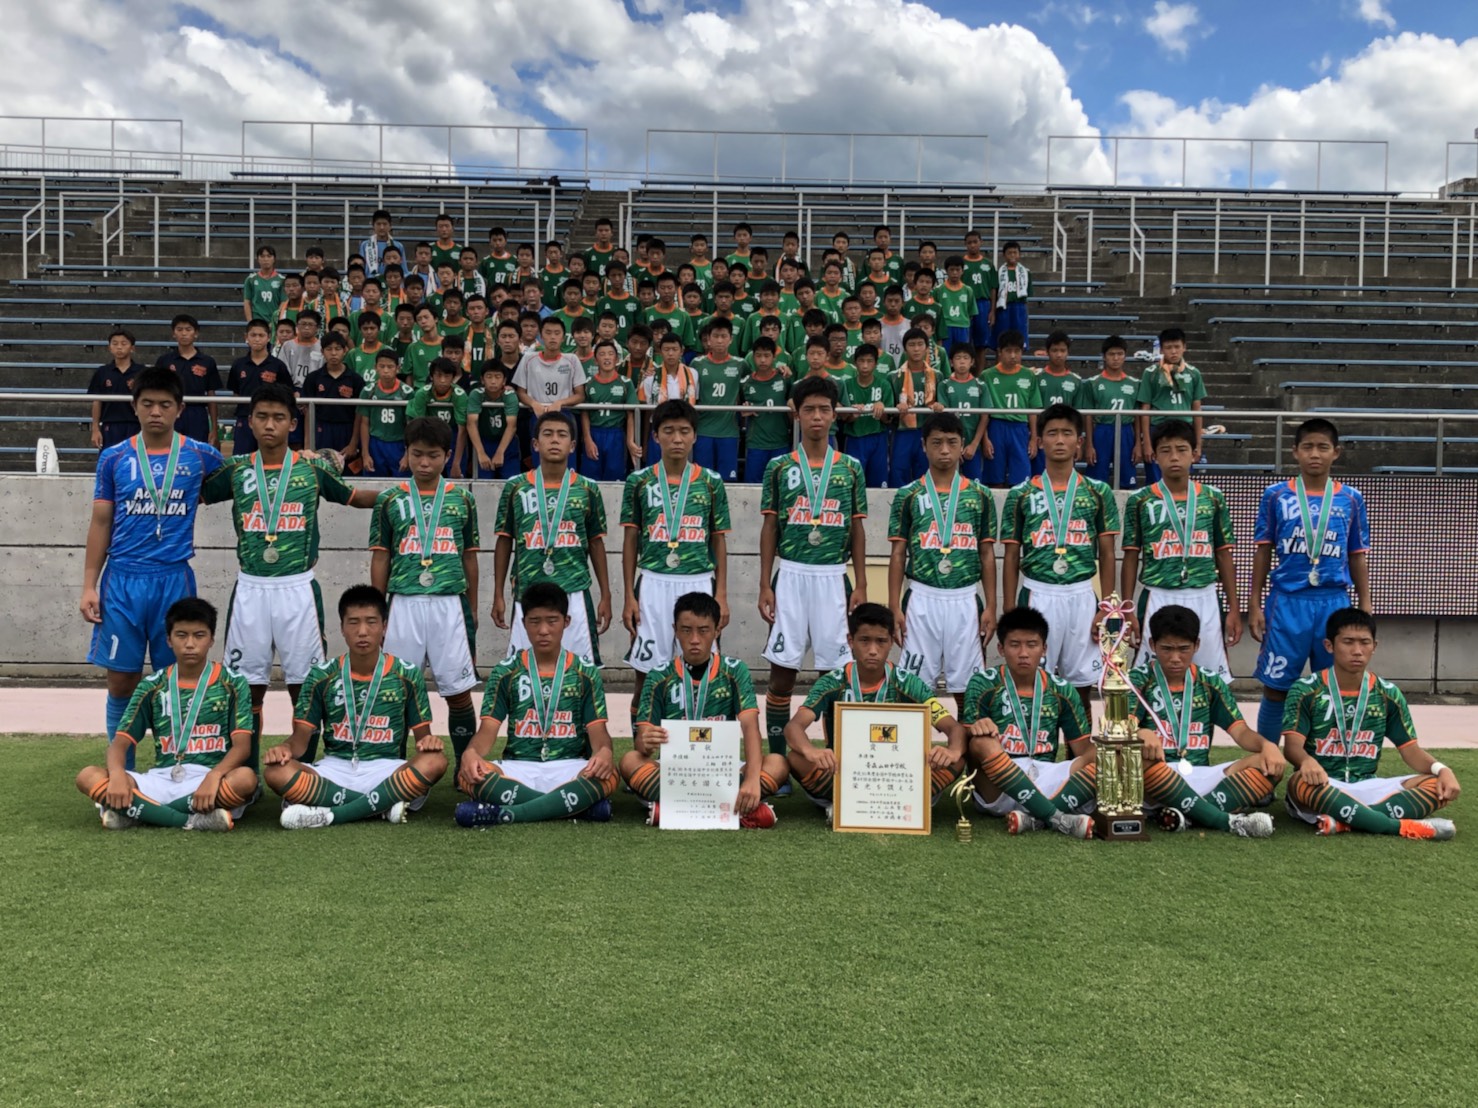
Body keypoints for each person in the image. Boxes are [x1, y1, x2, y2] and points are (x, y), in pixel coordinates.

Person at [202, 382, 376, 768]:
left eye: (279, 417)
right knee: (247, 690)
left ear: (292, 424)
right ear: (250, 421)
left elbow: (353, 497)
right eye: (262, 417)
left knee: (305, 686)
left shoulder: (312, 468)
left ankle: (303, 774)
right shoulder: (235, 469)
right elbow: (194, 492)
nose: (270, 425)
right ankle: (245, 777)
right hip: (250, 589)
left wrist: (404, 495)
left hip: (297, 589)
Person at [82, 368, 225, 770]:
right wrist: (89, 585)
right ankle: (121, 772)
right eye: (148, 404)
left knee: (176, 679)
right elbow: (101, 523)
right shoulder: (114, 457)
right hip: (122, 580)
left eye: (165, 404)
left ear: (180, 408)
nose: (156, 412)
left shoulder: (202, 455)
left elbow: (246, 477)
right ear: (135, 407)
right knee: (121, 680)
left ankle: (173, 769)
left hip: (173, 580)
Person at [267, 585, 446, 829]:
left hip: (387, 770)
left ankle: (333, 813)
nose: (362, 631)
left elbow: (424, 740)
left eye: (371, 622)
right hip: (335, 768)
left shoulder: (407, 674)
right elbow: (299, 742)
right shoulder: (322, 675)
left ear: (384, 626)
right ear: (342, 628)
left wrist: (430, 743)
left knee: (435, 761)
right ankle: (381, 806)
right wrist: (284, 749)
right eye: (353, 623)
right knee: (276, 772)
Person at [759, 376, 869, 757]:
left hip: (833, 578)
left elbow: (857, 528)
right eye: (809, 410)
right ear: (797, 414)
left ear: (835, 414)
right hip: (790, 574)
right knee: (781, 672)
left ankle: (837, 758)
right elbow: (770, 527)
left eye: (824, 409)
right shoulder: (778, 466)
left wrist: (861, 583)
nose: (817, 417)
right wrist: (764, 584)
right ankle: (777, 759)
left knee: (835, 675)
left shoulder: (851, 467)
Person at [75, 597, 254, 831]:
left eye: (199, 635)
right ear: (169, 640)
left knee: (245, 779)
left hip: (209, 778)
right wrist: (118, 774)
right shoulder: (153, 685)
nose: (190, 644)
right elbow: (119, 744)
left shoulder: (233, 683)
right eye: (181, 635)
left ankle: (138, 812)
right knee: (87, 776)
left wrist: (215, 775)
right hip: (160, 779)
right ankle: (190, 819)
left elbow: (242, 747)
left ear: (211, 639)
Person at [1282, 608, 1457, 839]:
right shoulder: (1306, 689)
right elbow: (1292, 747)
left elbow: (1411, 751)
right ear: (1329, 645)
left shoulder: (1388, 693)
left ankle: (1346, 822)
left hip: (1368, 787)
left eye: (1364, 642)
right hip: (1322, 784)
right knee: (1298, 782)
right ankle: (1399, 826)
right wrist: (1306, 761)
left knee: (1437, 786)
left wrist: (1442, 769)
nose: (1357, 651)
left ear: (1374, 646)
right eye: (1348, 642)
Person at [454, 583, 619, 826]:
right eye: (534, 621)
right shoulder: (506, 671)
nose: (543, 630)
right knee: (471, 774)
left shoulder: (585, 672)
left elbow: (599, 734)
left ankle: (509, 813)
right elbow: (487, 731)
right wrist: (471, 753)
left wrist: (604, 752)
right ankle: (574, 807)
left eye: (552, 621)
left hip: (570, 767)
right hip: (518, 767)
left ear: (566, 622)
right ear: (523, 623)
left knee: (609, 773)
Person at [1249, 418, 1371, 744]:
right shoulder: (1275, 495)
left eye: (1322, 447)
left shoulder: (1351, 498)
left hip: (1334, 603)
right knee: (1276, 688)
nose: (1315, 454)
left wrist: (1365, 604)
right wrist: (1254, 604)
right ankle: (1266, 763)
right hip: (1287, 602)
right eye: (1308, 447)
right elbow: (1263, 550)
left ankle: (1326, 764)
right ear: (1295, 452)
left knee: (1334, 687)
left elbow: (1357, 554)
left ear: (1336, 452)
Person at [783, 603, 965, 820]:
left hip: (898, 774)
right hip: (844, 772)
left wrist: (952, 751)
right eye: (864, 640)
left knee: (958, 759)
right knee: (797, 758)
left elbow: (953, 728)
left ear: (891, 642)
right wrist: (811, 751)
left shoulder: (907, 683)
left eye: (881, 641)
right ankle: (857, 803)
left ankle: (859, 805)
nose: (872, 650)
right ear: (850, 641)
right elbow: (794, 727)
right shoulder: (832, 682)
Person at [623, 592, 784, 828]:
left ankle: (673, 809)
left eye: (703, 630)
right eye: (686, 630)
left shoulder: (735, 670)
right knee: (629, 760)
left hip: (722, 768)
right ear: (675, 630)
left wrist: (751, 779)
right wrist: (646, 742)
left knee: (778, 763)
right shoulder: (658, 676)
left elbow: (750, 727)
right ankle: (733, 809)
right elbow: (641, 744)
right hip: (676, 770)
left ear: (717, 630)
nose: (695, 639)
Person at [1130, 604, 1280, 837]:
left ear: (1197, 645)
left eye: (1184, 649)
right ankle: (1224, 820)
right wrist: (1139, 733)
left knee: (1269, 766)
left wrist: (1266, 745)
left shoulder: (1210, 682)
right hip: (1155, 778)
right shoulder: (1138, 679)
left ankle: (1187, 815)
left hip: (1200, 775)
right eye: (1167, 649)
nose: (1175, 658)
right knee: (1141, 761)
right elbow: (1121, 727)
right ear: (1152, 645)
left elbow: (1240, 731)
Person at [1000, 404, 1118, 702]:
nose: (1060, 440)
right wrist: (1009, 606)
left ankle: (1080, 734)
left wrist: (1107, 605)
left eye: (1067, 433)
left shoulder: (1099, 491)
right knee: (1031, 680)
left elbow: (1107, 553)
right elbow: (1011, 555)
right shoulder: (1021, 494)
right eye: (1052, 433)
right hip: (1037, 593)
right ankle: (1034, 734)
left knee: (1082, 683)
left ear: (1080, 441)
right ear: (1040, 441)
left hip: (1082, 593)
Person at [620, 399, 730, 701]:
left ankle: (699, 731)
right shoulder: (639, 481)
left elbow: (718, 539)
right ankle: (642, 734)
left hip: (699, 581)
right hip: (653, 581)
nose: (677, 439)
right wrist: (629, 595)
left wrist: (721, 594)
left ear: (695, 435)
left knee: (704, 671)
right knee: (646, 675)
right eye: (668, 431)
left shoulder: (711, 482)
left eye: (684, 431)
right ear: (656, 436)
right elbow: (630, 540)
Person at [888, 412, 997, 705]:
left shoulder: (981, 495)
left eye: (952, 442)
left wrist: (991, 605)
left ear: (963, 445)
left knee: (970, 692)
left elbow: (987, 553)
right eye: (937, 443)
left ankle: (967, 738)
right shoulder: (908, 495)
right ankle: (915, 738)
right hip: (921, 598)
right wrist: (893, 605)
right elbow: (898, 554)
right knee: (913, 689)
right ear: (924, 446)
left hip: (965, 598)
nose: (945, 450)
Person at [960, 607, 1095, 837]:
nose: (1023, 653)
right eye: (1015, 645)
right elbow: (966, 747)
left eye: (1032, 645)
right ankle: (1059, 819)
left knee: (1106, 755)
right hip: (998, 783)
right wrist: (975, 729)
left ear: (1044, 649)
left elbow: (1083, 750)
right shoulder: (983, 683)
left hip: (1046, 776)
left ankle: (1036, 819)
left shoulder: (1062, 689)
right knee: (981, 743)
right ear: (1001, 649)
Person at [1121, 420, 1239, 681]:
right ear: (1154, 455)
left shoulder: (1213, 497)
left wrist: (1233, 607)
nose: (1174, 457)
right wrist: (1127, 609)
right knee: (1148, 679)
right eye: (1165, 450)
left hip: (1204, 594)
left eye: (1181, 449)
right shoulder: (1140, 500)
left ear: (1194, 453)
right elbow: (1130, 556)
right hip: (1158, 594)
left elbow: (1223, 553)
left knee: (1212, 680)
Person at [493, 412, 613, 665]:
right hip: (528, 591)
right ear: (535, 444)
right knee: (523, 670)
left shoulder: (587, 488)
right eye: (547, 434)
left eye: (562, 435)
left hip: (574, 591)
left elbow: (595, 542)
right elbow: (504, 540)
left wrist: (606, 594)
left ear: (573, 445)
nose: (555, 440)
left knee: (581, 672)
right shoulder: (515, 487)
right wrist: (498, 594)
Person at [1135, 327, 1206, 484]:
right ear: (1161, 349)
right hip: (1159, 427)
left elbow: (1197, 409)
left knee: (1181, 479)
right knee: (1155, 479)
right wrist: (1147, 443)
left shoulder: (1194, 373)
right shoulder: (1151, 373)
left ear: (1184, 347)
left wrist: (1198, 444)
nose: (1173, 351)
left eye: (1177, 347)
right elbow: (1145, 408)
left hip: (1184, 428)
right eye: (1168, 347)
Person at [980, 330, 1039, 487]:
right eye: (1008, 351)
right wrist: (985, 439)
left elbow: (1033, 409)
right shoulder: (987, 375)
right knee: (994, 478)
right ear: (1000, 352)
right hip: (996, 427)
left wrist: (1033, 438)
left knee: (1021, 480)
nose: (1013, 355)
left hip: (1020, 428)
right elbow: (983, 412)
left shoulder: (1029, 375)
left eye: (1017, 351)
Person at [154, 314, 221, 446]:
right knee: (169, 449)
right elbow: (156, 391)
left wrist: (214, 428)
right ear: (174, 333)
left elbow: (211, 395)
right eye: (179, 329)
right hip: (171, 410)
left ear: (196, 333)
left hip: (197, 413)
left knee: (196, 450)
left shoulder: (207, 361)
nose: (184, 333)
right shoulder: (164, 361)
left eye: (188, 329)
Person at [690, 317, 744, 481]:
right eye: (715, 336)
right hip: (703, 431)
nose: (719, 341)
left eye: (723, 336)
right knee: (702, 480)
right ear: (708, 339)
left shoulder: (741, 364)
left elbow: (756, 380)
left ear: (730, 339)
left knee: (728, 481)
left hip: (729, 432)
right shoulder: (696, 364)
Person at [1083, 335, 1140, 489]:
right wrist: (1089, 444)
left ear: (1125, 356)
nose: (1116, 358)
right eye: (1111, 354)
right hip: (1102, 430)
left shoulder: (1134, 384)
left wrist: (1138, 443)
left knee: (1127, 480)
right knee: (1096, 481)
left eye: (1120, 354)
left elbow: (1137, 416)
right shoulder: (1093, 383)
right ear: (1104, 356)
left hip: (1126, 431)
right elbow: (1088, 416)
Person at [226, 320, 290, 456]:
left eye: (261, 335)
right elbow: (236, 393)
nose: (257, 339)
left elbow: (286, 393)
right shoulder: (238, 365)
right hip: (245, 417)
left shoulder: (278, 365)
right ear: (246, 337)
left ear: (268, 337)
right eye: (253, 335)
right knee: (242, 458)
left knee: (271, 457)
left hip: (270, 419)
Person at [839, 343, 895, 488]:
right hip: (854, 438)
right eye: (861, 361)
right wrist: (853, 414)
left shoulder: (884, 385)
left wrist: (881, 409)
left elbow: (888, 420)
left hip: (878, 438)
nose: (865, 365)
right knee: (854, 482)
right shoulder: (847, 385)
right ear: (855, 363)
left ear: (875, 364)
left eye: (869, 361)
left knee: (879, 484)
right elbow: (844, 418)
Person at [301, 333, 365, 458]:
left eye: (338, 349)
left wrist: (353, 443)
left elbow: (360, 413)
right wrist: (308, 445)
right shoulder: (313, 378)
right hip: (321, 429)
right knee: (321, 466)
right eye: (329, 349)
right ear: (322, 352)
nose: (333, 353)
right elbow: (308, 412)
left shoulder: (355, 379)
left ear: (345, 350)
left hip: (347, 430)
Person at [405, 358, 469, 477]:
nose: (443, 380)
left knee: (455, 478)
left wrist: (456, 463)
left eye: (447, 376)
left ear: (453, 377)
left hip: (453, 437)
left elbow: (462, 431)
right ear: (431, 376)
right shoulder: (422, 394)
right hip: (428, 436)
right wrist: (407, 455)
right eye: (438, 376)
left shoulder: (460, 395)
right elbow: (417, 426)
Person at [739, 337, 792, 483]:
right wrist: (743, 413)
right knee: (753, 487)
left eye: (767, 355)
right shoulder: (745, 383)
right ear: (753, 357)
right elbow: (739, 411)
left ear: (774, 357)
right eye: (758, 355)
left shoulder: (785, 379)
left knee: (780, 485)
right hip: (756, 443)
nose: (762, 360)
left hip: (780, 442)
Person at [889, 327, 936, 487]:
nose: (916, 349)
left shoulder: (936, 375)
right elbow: (889, 408)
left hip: (927, 430)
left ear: (926, 347)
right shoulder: (894, 376)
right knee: (898, 470)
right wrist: (897, 407)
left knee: (924, 472)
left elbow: (941, 403)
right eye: (911, 345)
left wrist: (937, 405)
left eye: (920, 344)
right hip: (903, 430)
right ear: (905, 348)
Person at [358, 351, 414, 477]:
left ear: (398, 368)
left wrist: (408, 454)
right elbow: (364, 423)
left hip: (399, 443)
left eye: (390, 367)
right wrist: (365, 454)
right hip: (375, 443)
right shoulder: (368, 391)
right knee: (373, 482)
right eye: (382, 366)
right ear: (375, 367)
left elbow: (411, 426)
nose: (386, 371)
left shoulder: (407, 393)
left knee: (401, 482)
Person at [937, 343, 988, 481]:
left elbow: (985, 416)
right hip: (950, 445)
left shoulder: (980, 385)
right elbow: (944, 417)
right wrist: (954, 447)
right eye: (958, 358)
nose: (962, 361)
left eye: (966, 358)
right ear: (951, 362)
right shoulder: (944, 385)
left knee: (974, 484)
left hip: (973, 444)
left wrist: (974, 444)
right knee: (948, 483)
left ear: (972, 362)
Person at [88, 328, 145, 451]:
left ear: (132, 348)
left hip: (137, 424)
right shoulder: (102, 372)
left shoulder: (142, 372)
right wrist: (95, 429)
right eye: (115, 343)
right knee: (111, 459)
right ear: (109, 348)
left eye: (124, 343)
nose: (119, 347)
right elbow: (97, 402)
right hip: (110, 425)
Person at [468, 361, 521, 479]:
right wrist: (481, 453)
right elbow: (471, 424)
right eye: (489, 377)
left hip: (507, 442)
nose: (493, 381)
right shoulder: (476, 394)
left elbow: (512, 426)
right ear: (482, 380)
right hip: (483, 441)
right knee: (483, 481)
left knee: (512, 481)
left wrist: (500, 452)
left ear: (504, 380)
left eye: (497, 377)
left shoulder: (510, 396)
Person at [961, 230, 998, 362]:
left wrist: (992, 311)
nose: (972, 245)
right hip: (964, 304)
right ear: (965, 244)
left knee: (981, 344)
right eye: (969, 243)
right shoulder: (961, 264)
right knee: (964, 342)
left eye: (975, 242)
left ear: (981, 242)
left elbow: (993, 288)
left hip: (983, 305)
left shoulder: (988, 264)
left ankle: (980, 372)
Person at [993, 241, 1030, 350]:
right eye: (1009, 253)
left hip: (1019, 307)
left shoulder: (1026, 273)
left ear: (1019, 254)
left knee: (1019, 338)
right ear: (1004, 255)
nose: (1012, 255)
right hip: (1003, 307)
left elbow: (1027, 296)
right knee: (1001, 338)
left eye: (1015, 252)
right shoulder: (999, 273)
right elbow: (995, 291)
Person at [242, 245, 284, 322]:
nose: (266, 259)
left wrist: (275, 321)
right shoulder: (250, 279)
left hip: (274, 322)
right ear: (258, 259)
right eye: (262, 256)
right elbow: (247, 302)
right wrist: (250, 322)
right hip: (257, 321)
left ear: (274, 259)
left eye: (269, 256)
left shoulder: (282, 280)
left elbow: (283, 302)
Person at [360, 210, 406, 277]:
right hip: (370, 281)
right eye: (378, 224)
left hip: (391, 281)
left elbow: (404, 270)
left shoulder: (398, 246)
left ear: (390, 226)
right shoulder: (365, 245)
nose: (382, 227)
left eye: (385, 224)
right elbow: (361, 268)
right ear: (373, 225)